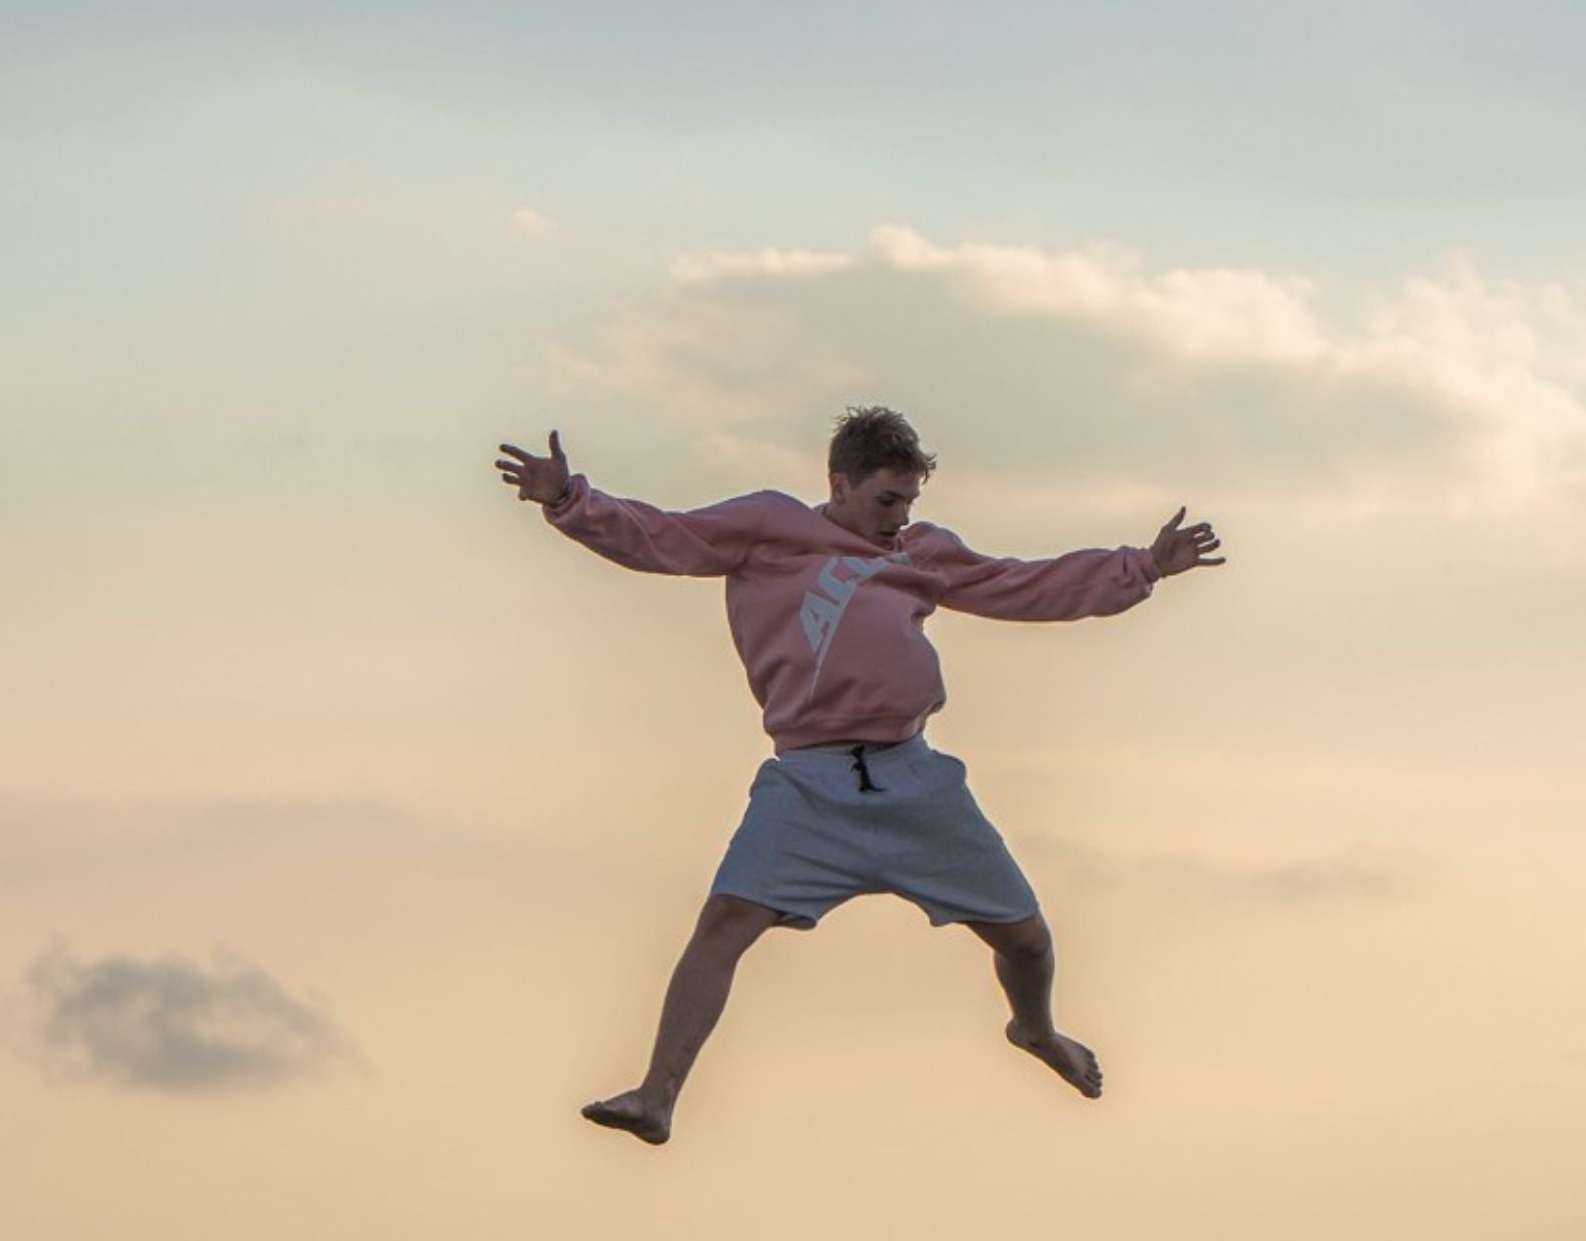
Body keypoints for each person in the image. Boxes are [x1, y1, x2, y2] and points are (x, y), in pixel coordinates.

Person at [493, 406, 1223, 1144]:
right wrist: (568, 500)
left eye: (909, 502)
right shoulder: (770, 527)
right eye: (886, 500)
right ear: (839, 483)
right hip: (808, 784)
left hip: (914, 780)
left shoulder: (920, 552)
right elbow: (662, 537)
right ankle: (656, 1098)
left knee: (1027, 941)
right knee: (722, 926)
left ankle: (1036, 1032)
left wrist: (1144, 566)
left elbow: (1021, 585)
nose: (898, 517)